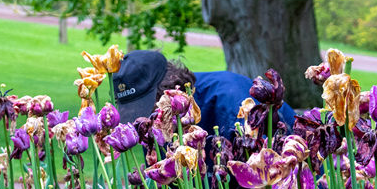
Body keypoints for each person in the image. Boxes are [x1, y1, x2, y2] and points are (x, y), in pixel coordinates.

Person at [111, 50, 295, 138]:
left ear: (170, 88)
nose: (144, 121)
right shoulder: (156, 125)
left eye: (147, 106)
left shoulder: (230, 99)